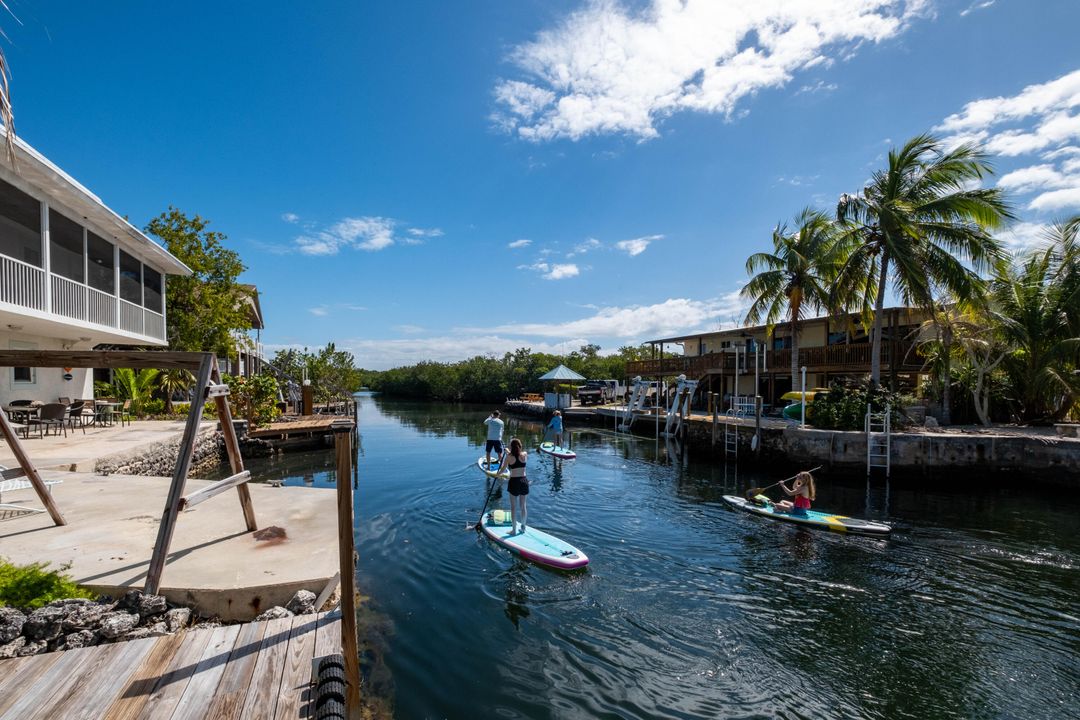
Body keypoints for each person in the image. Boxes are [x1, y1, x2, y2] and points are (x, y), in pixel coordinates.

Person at [497, 437, 529, 534]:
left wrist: (498, 474)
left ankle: (514, 530)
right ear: (520, 446)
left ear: (511, 447)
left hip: (514, 481)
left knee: (513, 507)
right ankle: (523, 527)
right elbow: (517, 453)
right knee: (523, 506)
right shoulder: (525, 455)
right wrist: (509, 451)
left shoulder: (508, 457)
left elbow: (503, 469)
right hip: (524, 481)